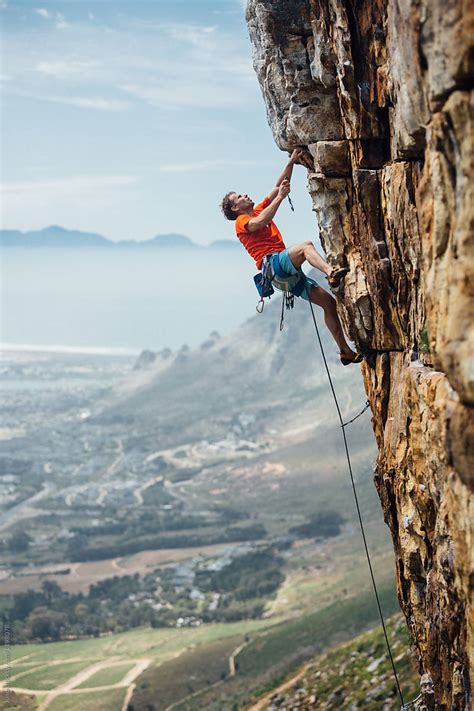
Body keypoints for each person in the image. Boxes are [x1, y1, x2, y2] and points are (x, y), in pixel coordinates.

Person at [220, 149, 362, 365]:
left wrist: (292, 161)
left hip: (283, 273)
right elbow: (259, 223)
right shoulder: (242, 222)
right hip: (274, 265)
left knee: (328, 303)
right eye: (239, 197)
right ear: (235, 207)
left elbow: (279, 184)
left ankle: (345, 352)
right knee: (305, 247)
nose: (245, 195)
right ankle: (331, 273)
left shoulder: (257, 209)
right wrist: (280, 198)